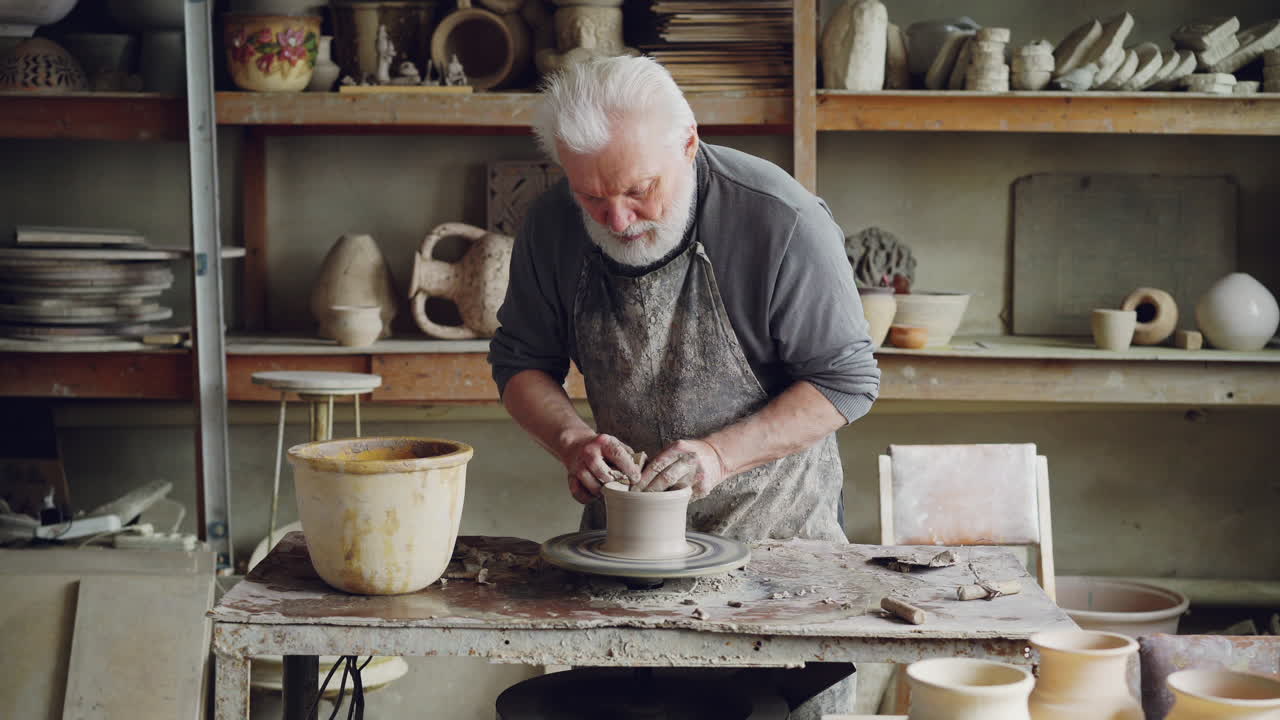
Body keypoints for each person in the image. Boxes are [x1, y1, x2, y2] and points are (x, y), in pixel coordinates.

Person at [489, 56, 879, 715]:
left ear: (689, 143)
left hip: (778, 552)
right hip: (625, 561)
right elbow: (520, 362)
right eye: (592, 196)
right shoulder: (554, 226)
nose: (616, 218)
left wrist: (720, 456)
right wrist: (571, 440)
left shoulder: (778, 219)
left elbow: (846, 382)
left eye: (640, 190)